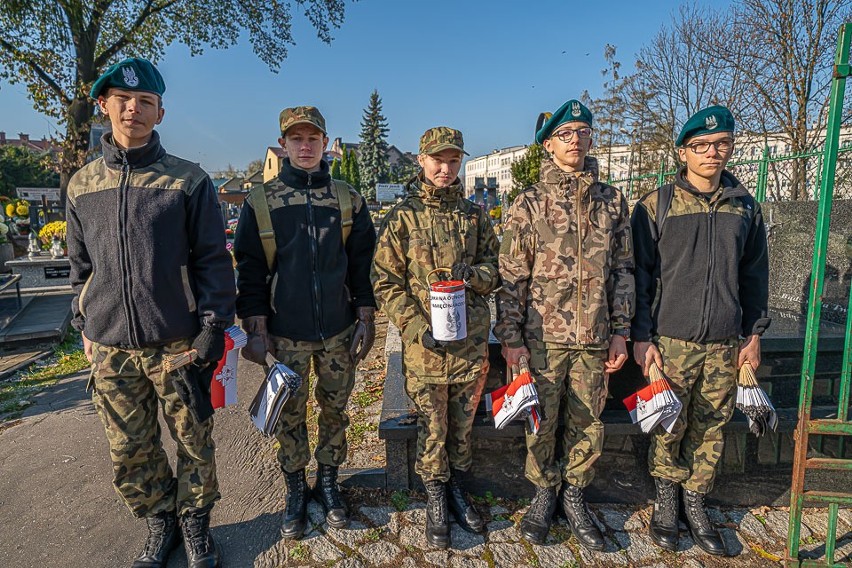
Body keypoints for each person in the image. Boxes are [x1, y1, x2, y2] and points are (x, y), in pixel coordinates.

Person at [66, 58, 235, 568]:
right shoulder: (81, 185)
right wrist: (84, 324)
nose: (133, 109)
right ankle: (160, 524)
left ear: (160, 113)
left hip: (178, 344)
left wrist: (212, 326)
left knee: (193, 440)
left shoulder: (188, 180)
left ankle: (197, 526)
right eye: (122, 99)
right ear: (105, 105)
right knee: (130, 449)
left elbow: (212, 259)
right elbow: (80, 266)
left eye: (145, 102)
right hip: (112, 347)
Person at [494, 99, 634, 549]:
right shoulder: (529, 203)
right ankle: (543, 492)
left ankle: (574, 495)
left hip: (594, 336)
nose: (575, 140)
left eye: (582, 132)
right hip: (543, 340)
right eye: (566, 134)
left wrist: (620, 329)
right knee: (540, 420)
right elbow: (512, 275)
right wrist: (511, 339)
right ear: (549, 144)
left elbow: (624, 270)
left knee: (588, 422)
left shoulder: (611, 201)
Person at [631, 105, 769, 556]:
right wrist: (643, 336)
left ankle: (696, 500)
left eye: (722, 144)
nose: (713, 152)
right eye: (702, 145)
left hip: (725, 341)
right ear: (683, 151)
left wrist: (753, 335)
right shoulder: (658, 205)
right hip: (672, 339)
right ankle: (666, 500)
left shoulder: (746, 208)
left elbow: (754, 276)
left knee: (712, 426)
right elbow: (641, 277)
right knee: (670, 424)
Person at [234, 106, 377, 540]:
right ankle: (295, 488)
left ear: (324, 141)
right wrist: (255, 328)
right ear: (283, 144)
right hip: (285, 334)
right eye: (296, 138)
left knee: (335, 411)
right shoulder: (262, 201)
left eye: (312, 138)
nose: (305, 145)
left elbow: (361, 263)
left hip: (337, 330)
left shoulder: (347, 198)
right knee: (289, 417)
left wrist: (366, 315)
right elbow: (251, 269)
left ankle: (328, 483)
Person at [372, 127, 500, 548]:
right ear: (422, 161)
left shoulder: (474, 215)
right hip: (425, 347)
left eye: (453, 161)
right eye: (437, 160)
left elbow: (495, 268)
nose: (446, 169)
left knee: (462, 427)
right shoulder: (402, 217)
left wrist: (474, 276)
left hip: (468, 345)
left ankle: (458, 488)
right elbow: (385, 282)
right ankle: (435, 495)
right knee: (432, 427)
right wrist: (413, 326)